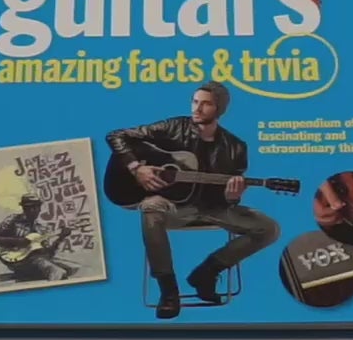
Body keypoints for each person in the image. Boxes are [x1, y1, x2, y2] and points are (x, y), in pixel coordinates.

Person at [105, 82, 280, 318]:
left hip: (211, 208)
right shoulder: (173, 127)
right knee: (151, 206)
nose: (197, 108)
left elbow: (226, 200)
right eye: (195, 102)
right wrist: (137, 168)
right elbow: (116, 136)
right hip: (174, 207)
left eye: (205, 104)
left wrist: (231, 197)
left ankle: (206, 273)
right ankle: (168, 290)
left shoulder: (236, 148)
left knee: (269, 229)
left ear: (219, 109)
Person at [0, 194, 78, 284]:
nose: (33, 210)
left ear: (39, 209)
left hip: (33, 261)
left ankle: (29, 274)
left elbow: (48, 254)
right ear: (23, 208)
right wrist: (17, 241)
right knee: (57, 272)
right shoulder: (13, 220)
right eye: (29, 207)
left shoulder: (41, 229)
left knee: (72, 268)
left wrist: (60, 238)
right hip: (14, 260)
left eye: (36, 207)